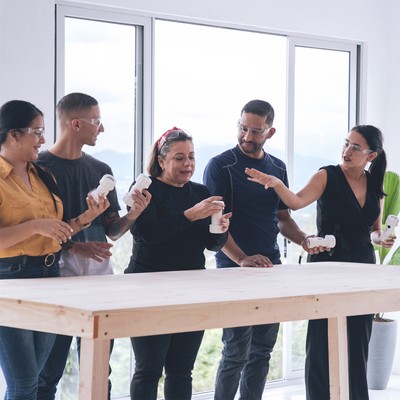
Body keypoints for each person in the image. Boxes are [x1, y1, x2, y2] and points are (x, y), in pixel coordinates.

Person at [245, 124, 393, 400]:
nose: (347, 150)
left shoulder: (375, 184)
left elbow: (372, 229)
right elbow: (297, 202)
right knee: (323, 338)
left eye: (356, 147)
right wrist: (277, 184)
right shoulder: (327, 175)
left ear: (371, 155)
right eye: (347, 143)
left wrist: (380, 238)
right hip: (327, 263)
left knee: (358, 339)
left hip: (362, 266)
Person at [36, 92, 151, 400]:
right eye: (97, 121)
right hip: (55, 279)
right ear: (75, 124)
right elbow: (37, 235)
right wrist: (74, 246)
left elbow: (113, 231)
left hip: (100, 280)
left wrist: (134, 214)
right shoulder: (39, 168)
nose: (102, 129)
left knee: (100, 367)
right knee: (48, 370)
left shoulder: (101, 169)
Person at [203, 99, 314, 400]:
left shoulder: (277, 167)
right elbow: (215, 224)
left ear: (270, 131)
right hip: (233, 267)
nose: (247, 137)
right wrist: (241, 259)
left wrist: (303, 239)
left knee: (262, 351)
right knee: (236, 350)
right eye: (243, 129)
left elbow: (282, 217)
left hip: (270, 267)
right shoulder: (220, 165)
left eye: (256, 131)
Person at [0, 99, 104, 400]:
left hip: (49, 275)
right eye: (37, 132)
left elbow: (56, 231)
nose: (43, 140)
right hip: (10, 281)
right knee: (23, 383)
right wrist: (35, 226)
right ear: (14, 135)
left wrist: (87, 217)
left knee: (41, 381)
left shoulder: (43, 175)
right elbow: (39, 227)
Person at [124, 127, 231, 400]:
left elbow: (211, 245)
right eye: (179, 158)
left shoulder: (201, 191)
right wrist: (190, 215)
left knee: (182, 370)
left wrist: (221, 230)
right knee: (148, 369)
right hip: (148, 287)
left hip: (191, 288)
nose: (188, 164)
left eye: (192, 157)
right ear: (161, 160)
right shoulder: (145, 189)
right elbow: (147, 235)